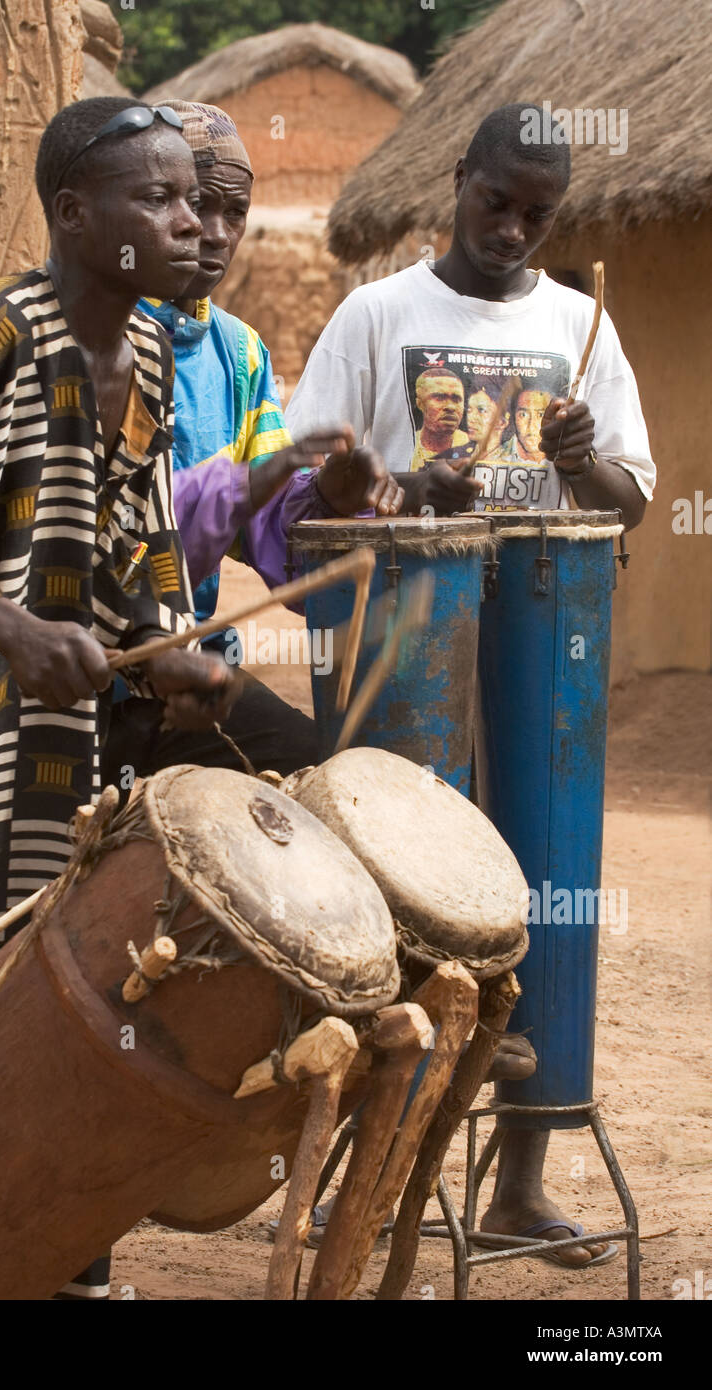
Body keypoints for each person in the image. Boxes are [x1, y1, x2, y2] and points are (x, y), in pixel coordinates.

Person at [0, 95, 241, 1298]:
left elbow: (135, 535)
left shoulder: (158, 354)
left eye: (197, 200)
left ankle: (34, 1253)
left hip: (50, 742)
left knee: (32, 991)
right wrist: (6, 620)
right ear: (75, 213)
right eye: (159, 200)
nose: (192, 224)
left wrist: (164, 644)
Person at [287, 103, 655, 1264]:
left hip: (547, 641)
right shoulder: (376, 312)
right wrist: (404, 488)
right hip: (414, 635)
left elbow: (627, 497)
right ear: (458, 180)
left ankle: (518, 1185)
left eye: (537, 217)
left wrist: (578, 460)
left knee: (546, 888)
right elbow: (306, 482)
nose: (511, 231)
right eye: (495, 203)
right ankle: (378, 1190)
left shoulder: (581, 325)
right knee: (408, 896)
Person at [102, 100, 402, 786]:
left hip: (198, 680)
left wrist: (330, 491)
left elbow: (266, 532)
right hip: (85, 675)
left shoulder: (239, 356)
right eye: (192, 206)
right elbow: (120, 526)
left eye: (231, 214)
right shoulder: (96, 335)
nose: (211, 233)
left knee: (328, 779)